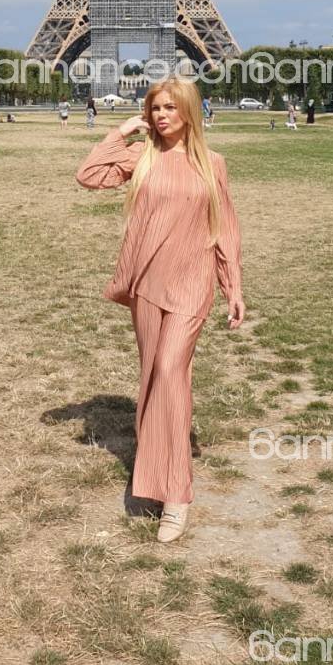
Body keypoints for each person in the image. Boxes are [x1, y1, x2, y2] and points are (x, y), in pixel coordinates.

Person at [76, 77, 244, 543]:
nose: (160, 115)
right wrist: (120, 133)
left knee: (170, 371)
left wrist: (233, 286)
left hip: (192, 282)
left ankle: (176, 494)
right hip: (149, 283)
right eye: (154, 108)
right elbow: (88, 175)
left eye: (170, 107)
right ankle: (152, 477)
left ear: (189, 111)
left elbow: (226, 228)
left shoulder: (212, 164)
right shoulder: (142, 156)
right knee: (152, 377)